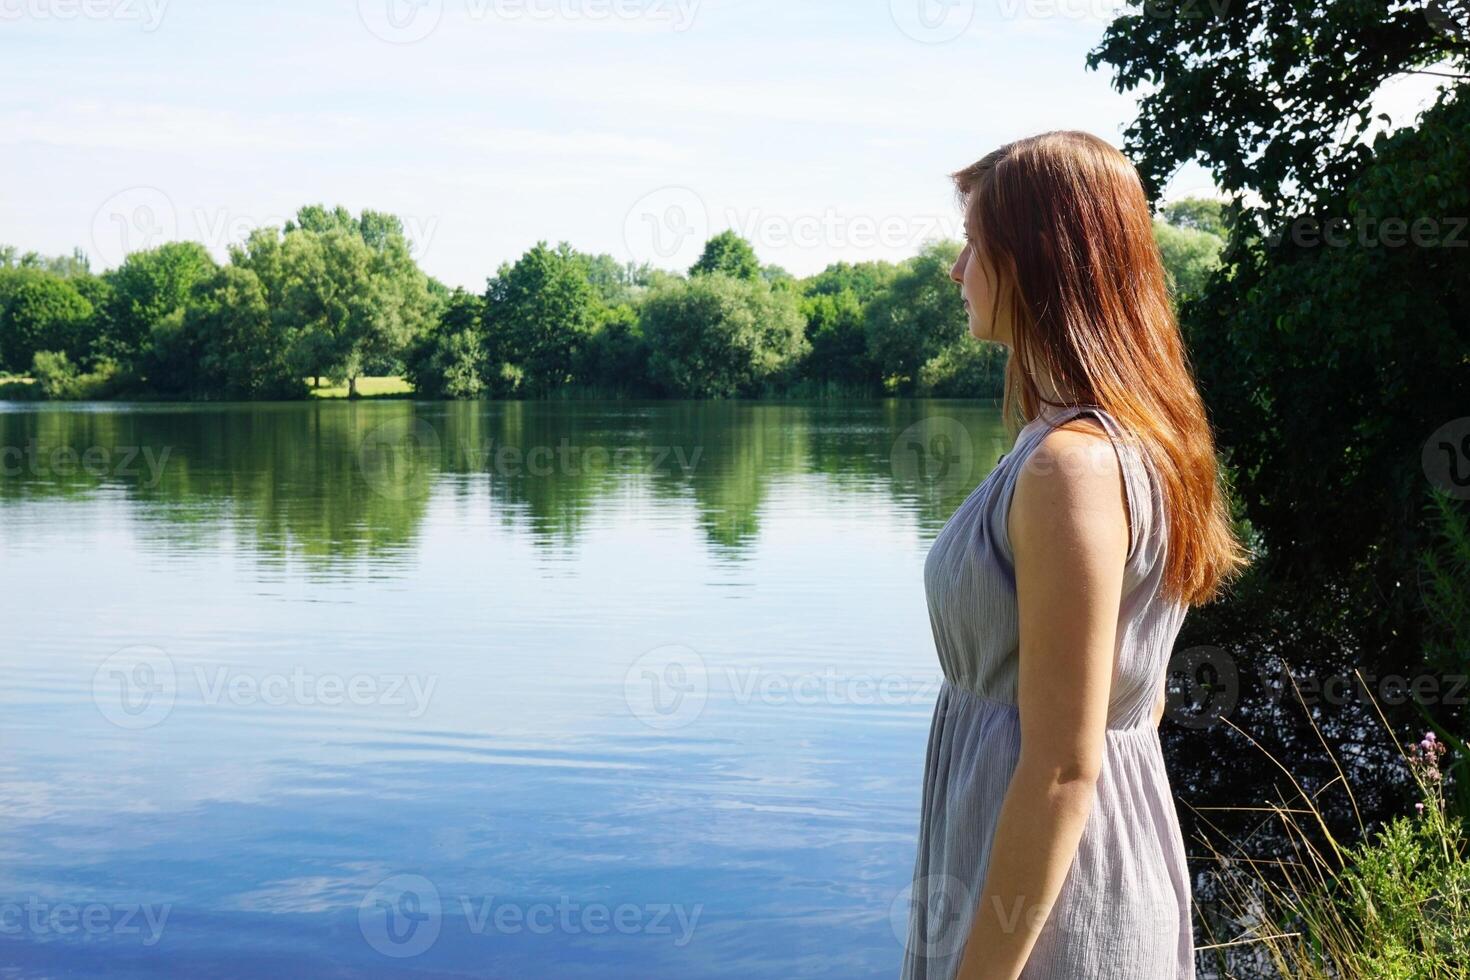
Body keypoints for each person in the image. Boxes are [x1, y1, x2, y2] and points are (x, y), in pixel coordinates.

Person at [899, 130, 1251, 980]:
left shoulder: (1073, 467)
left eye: (973, 246)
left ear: (1032, 262)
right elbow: (1142, 704)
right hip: (1049, 872)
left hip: (1050, 915)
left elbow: (1062, 766)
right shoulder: (1094, 445)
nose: (956, 270)